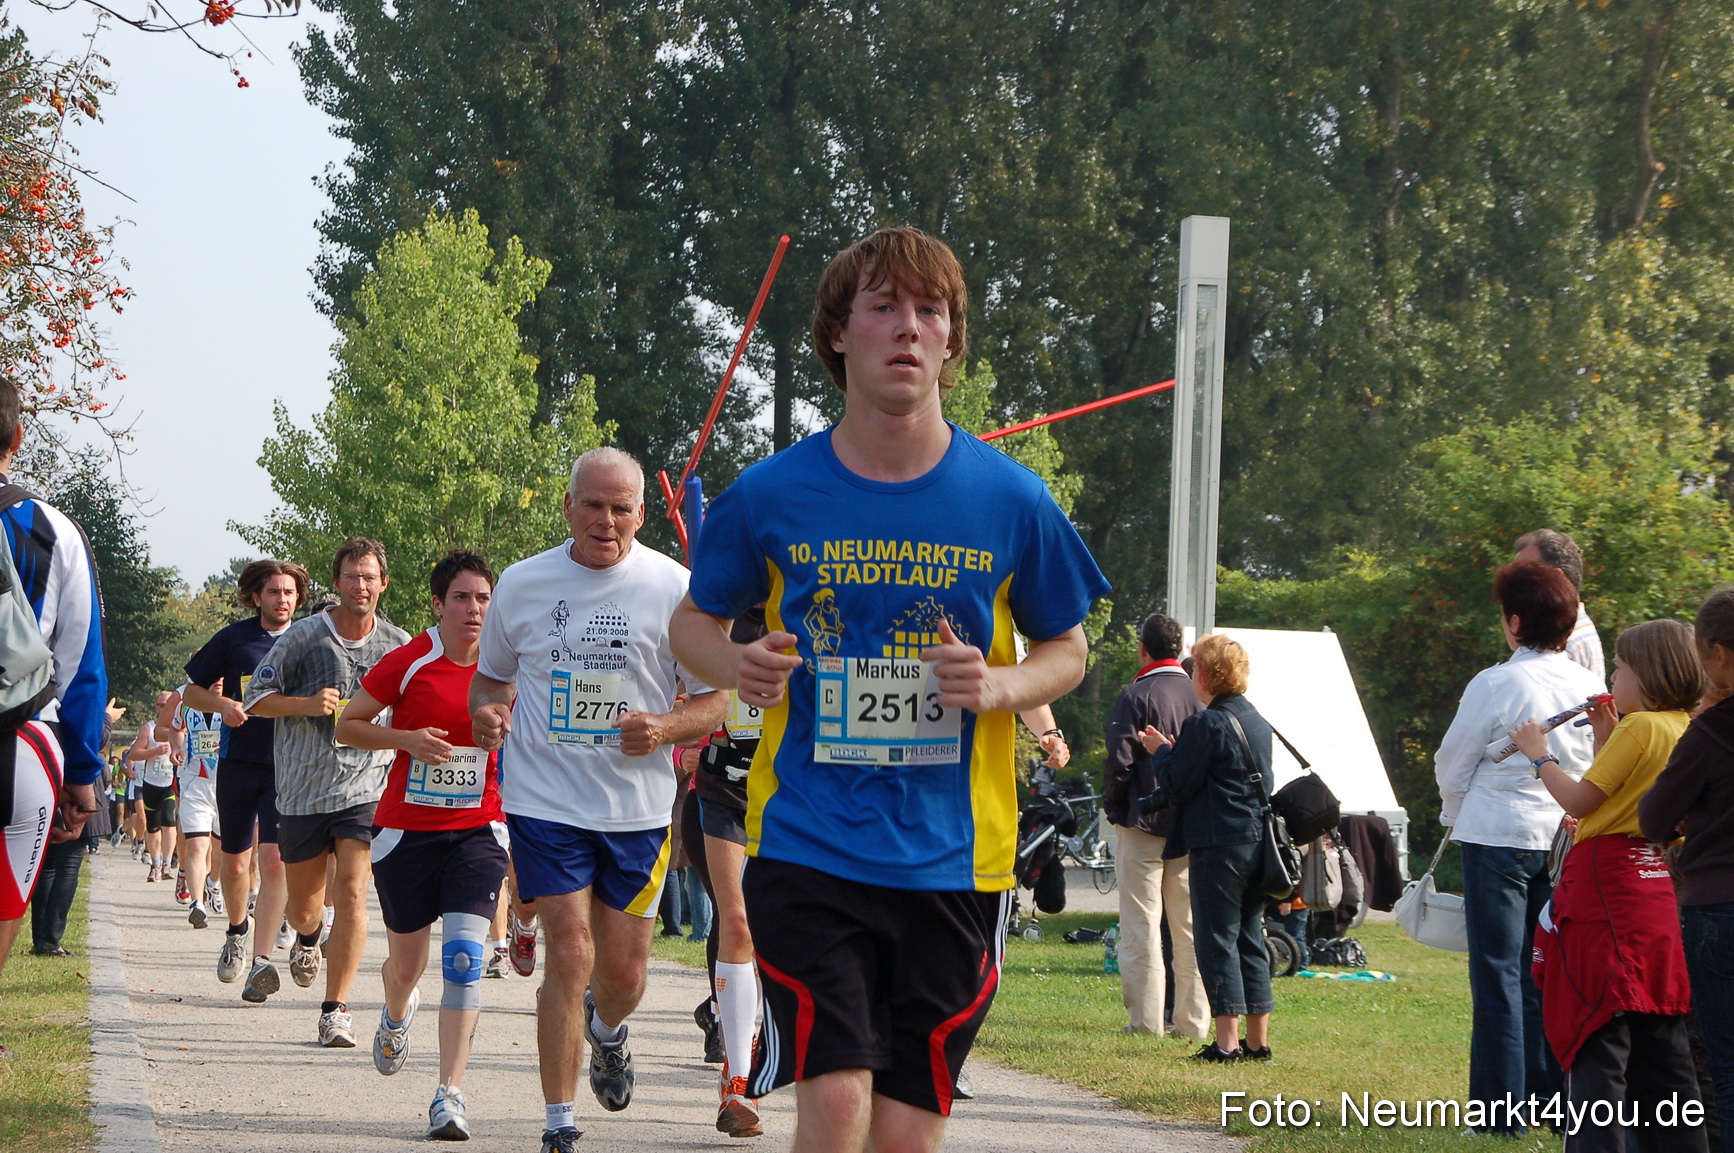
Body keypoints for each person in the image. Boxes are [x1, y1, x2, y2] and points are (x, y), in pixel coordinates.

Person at [670, 225, 1109, 1152]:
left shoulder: (1010, 498)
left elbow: (1068, 648)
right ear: (839, 333)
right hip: (810, 843)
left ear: (951, 339)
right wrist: (737, 666)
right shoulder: (772, 492)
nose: (909, 326)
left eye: (930, 310)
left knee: (905, 1135)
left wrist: (999, 683)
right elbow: (691, 623)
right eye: (884, 306)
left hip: (955, 860)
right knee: (835, 1102)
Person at [470, 447, 727, 1153]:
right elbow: (491, 680)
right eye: (593, 504)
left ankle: (608, 1030)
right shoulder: (522, 584)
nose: (606, 521)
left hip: (636, 810)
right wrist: (486, 713)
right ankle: (559, 1122)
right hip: (545, 799)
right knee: (570, 949)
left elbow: (718, 699)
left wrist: (666, 727)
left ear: (642, 514)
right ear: (569, 506)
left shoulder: (674, 588)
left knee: (623, 974)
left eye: (621, 508)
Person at [1513, 618, 1705, 1152]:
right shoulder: (1683, 726)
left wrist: (1538, 754)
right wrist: (1605, 739)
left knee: (1598, 1025)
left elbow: (1580, 802)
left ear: (1647, 673)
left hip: (1608, 885)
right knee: (1660, 1040)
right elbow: (1630, 794)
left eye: (1620, 668)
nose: (1613, 678)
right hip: (1654, 884)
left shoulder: (1641, 727)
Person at [336, 551, 506, 1141]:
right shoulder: (410, 661)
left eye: (483, 598)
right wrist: (406, 738)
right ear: (437, 604)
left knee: (463, 960)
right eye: (461, 598)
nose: (474, 609)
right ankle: (395, 1011)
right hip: (406, 833)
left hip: (478, 831)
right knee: (407, 966)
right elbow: (348, 724)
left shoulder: (507, 664)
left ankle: (449, 1095)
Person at [1434, 560, 1601, 1134]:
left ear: (1513, 621)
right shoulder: (1587, 686)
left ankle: (1499, 1113)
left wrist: (1455, 814)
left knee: (1498, 974)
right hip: (1562, 836)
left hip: (1496, 835)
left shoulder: (1495, 683)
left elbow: (1452, 762)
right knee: (1548, 973)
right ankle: (1551, 1102)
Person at [244, 537, 409, 1046]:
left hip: (366, 785)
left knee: (354, 891)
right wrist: (305, 704)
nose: (360, 586)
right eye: (351, 577)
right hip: (303, 788)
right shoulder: (305, 637)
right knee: (304, 908)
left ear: (383, 584)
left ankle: (335, 1010)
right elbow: (255, 699)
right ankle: (309, 936)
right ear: (336, 583)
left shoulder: (398, 645)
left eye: (369, 577)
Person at [0, 372, 108, 980]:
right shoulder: (54, 529)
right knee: (5, 901)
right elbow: (81, 665)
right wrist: (84, 773)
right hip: (25, 740)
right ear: (17, 437)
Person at [1135, 634, 1275, 1062]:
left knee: (1217, 938)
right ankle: (1257, 1041)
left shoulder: (1206, 723)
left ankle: (1227, 1043)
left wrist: (1161, 752)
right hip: (1256, 840)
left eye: (1194, 667)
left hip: (1218, 842)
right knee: (1250, 936)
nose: (1191, 673)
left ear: (1207, 675)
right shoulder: (1255, 718)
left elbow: (1178, 784)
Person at [184, 558, 308, 1002]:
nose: (282, 599)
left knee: (274, 861)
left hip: (288, 766)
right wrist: (223, 706)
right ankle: (237, 931)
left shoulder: (309, 638)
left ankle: (261, 961)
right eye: (274, 591)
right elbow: (191, 691)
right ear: (257, 597)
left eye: (289, 592)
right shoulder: (235, 638)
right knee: (235, 865)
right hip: (238, 762)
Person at [1641, 588, 1734, 1153]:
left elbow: (1654, 818)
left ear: (1718, 654)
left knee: (1726, 1064)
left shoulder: (1712, 732)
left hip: (1719, 903)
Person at [1104, 611, 1208, 1039]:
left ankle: (1146, 1023)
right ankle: (1194, 1022)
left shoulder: (1136, 694)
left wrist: (1116, 807)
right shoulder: (1200, 696)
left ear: (1142, 649)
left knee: (1142, 925)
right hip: (1190, 825)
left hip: (1143, 821)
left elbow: (1120, 762)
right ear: (1180, 650)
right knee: (1189, 928)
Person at [1515, 529, 1604, 682]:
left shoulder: (1563, 643)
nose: (1513, 584)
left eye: (1524, 575)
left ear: (1557, 578)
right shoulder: (1567, 631)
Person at [176, 689, 224, 927]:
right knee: (197, 845)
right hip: (194, 783)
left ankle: (213, 881)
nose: (218, 682)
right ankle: (198, 904)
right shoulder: (186, 703)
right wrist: (176, 747)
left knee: (221, 848)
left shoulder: (235, 703)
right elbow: (174, 729)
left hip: (226, 784)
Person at [129, 691, 183, 883]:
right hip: (151, 782)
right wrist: (155, 751)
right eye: (161, 705)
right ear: (156, 707)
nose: (164, 707)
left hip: (171, 782)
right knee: (152, 826)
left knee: (169, 820)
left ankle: (167, 864)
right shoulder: (149, 728)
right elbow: (133, 754)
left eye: (167, 704)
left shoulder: (181, 727)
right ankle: (156, 864)